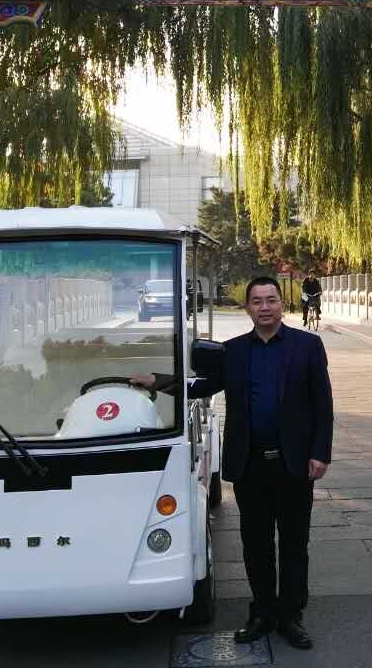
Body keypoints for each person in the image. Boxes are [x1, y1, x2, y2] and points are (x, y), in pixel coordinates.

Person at [132, 276, 333, 650]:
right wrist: (156, 381)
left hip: (293, 464)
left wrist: (320, 453)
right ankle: (262, 613)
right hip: (250, 465)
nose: (265, 307)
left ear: (281, 304)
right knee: (255, 543)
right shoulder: (235, 351)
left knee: (294, 545)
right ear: (248, 308)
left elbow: (323, 403)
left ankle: (291, 616)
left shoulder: (307, 346)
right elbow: (201, 386)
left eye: (271, 300)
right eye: (257, 301)